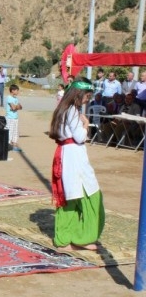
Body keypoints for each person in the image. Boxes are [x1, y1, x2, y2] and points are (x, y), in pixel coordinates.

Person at [49, 78, 104, 252]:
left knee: (71, 197)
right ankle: (81, 238)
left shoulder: (64, 109)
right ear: (79, 94)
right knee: (89, 195)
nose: (88, 99)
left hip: (68, 155)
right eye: (87, 96)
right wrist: (86, 125)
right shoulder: (72, 111)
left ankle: (66, 238)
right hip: (74, 156)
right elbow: (80, 137)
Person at [5, 84, 23, 152]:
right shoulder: (9, 98)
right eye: (16, 90)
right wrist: (16, 107)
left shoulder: (16, 98)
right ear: (12, 91)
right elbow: (13, 107)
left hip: (15, 118)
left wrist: (16, 107)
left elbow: (20, 107)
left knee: (15, 132)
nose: (18, 92)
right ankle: (8, 146)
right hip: (10, 118)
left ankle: (14, 145)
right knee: (10, 132)